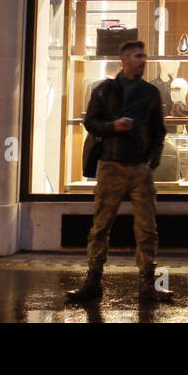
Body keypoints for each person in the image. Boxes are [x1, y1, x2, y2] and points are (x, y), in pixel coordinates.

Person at [67, 40, 173, 302]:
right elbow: (90, 122)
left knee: (147, 227)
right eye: (138, 56)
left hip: (139, 167)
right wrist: (113, 126)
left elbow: (159, 130)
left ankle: (148, 282)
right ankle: (93, 280)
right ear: (124, 58)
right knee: (101, 226)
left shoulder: (150, 92)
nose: (143, 60)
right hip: (111, 164)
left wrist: (151, 162)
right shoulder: (105, 90)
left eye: (144, 56)